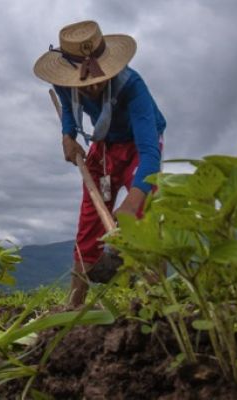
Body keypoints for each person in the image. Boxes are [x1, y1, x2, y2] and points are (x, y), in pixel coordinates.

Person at [33, 20, 165, 306]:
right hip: (104, 144)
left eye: (97, 82)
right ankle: (75, 302)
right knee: (90, 218)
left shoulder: (133, 87)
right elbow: (69, 108)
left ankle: (160, 301)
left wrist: (133, 200)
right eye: (85, 84)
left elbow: (150, 153)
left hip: (139, 145)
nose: (91, 90)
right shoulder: (64, 81)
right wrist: (68, 135)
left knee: (145, 214)